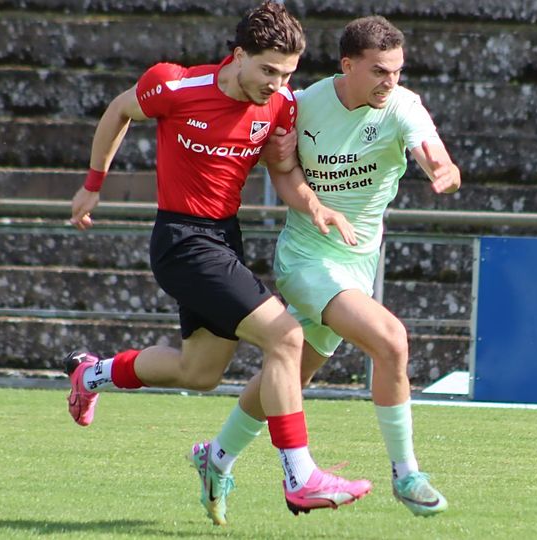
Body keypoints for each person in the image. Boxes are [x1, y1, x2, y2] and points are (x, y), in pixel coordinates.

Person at [64, 1, 372, 524]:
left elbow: (283, 171)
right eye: (268, 70)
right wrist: (93, 185)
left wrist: (314, 206)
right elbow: (118, 110)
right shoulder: (175, 85)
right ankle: (300, 477)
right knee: (287, 338)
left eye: (287, 74)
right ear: (238, 55)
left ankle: (91, 374)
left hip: (224, 239)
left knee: (199, 371)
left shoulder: (281, 106)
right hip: (181, 240)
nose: (277, 84)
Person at [196, 15, 461, 519]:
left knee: (287, 377)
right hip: (307, 258)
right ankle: (407, 474)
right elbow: (282, 169)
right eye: (379, 71)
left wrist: (441, 167)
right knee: (392, 339)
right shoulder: (303, 104)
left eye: (397, 71)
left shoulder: (403, 106)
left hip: (358, 265)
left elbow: (429, 149)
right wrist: (309, 198)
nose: (390, 81)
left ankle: (217, 457)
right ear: (348, 65)